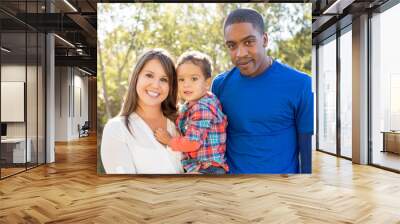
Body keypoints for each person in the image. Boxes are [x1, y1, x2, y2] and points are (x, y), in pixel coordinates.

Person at [211, 8, 313, 174]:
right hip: (232, 191)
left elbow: (308, 154)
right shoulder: (220, 85)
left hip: (280, 193)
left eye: (248, 42)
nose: (240, 53)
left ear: (264, 39)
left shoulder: (301, 84)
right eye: (232, 45)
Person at [101, 49, 183, 174]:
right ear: (136, 77)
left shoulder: (181, 123)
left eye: (164, 79)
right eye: (149, 75)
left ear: (171, 86)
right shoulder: (117, 129)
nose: (156, 85)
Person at [155, 51, 229, 174]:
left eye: (194, 79)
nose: (186, 84)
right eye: (181, 79)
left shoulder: (203, 107)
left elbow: (192, 143)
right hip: (201, 167)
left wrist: (169, 140)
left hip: (208, 169)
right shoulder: (190, 105)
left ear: (207, 83)